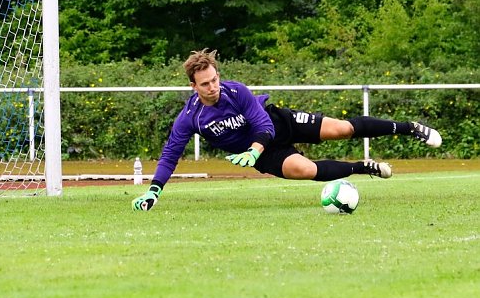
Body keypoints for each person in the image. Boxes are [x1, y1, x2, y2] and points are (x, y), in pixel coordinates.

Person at [132, 49, 442, 211]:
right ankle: (363, 168)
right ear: (193, 86)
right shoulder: (191, 117)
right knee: (303, 169)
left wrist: (254, 148)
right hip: (260, 156)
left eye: (214, 79)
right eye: (205, 83)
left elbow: (263, 124)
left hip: (277, 126)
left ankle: (408, 128)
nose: (213, 86)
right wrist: (154, 191)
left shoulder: (236, 91)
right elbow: (171, 154)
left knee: (342, 129)